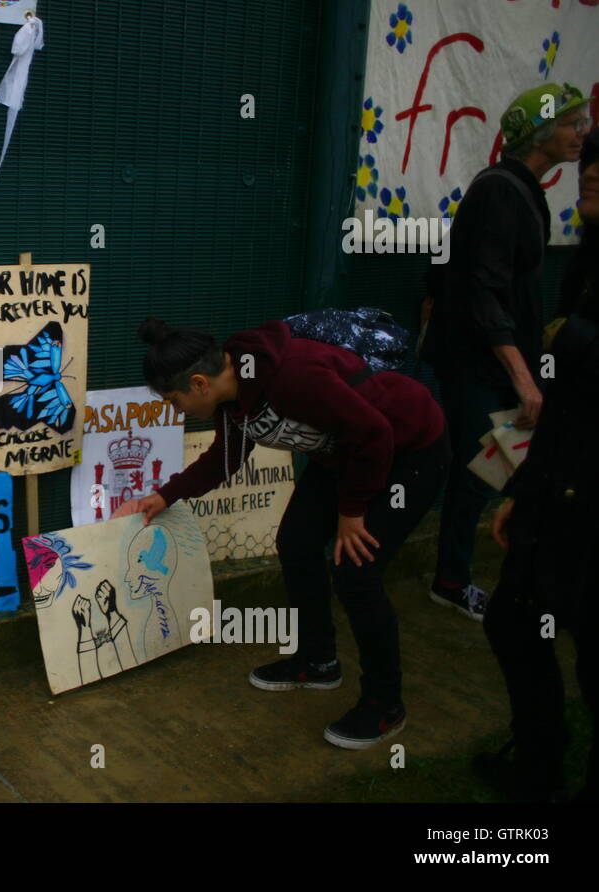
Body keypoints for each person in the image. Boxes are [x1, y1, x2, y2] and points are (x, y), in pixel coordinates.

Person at [115, 318, 450, 749]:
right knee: (296, 542)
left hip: (408, 450)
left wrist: (352, 511)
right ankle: (318, 660)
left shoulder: (291, 377)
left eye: (175, 401)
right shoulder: (233, 399)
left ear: (199, 383)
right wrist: (165, 495)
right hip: (343, 457)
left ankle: (385, 705)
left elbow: (374, 433)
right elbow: (226, 458)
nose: (176, 411)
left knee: (356, 572)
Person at [421, 82, 592, 622]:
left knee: (486, 473)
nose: (582, 132)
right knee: (478, 472)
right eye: (572, 123)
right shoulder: (500, 190)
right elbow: (485, 289)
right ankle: (451, 582)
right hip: (482, 366)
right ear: (539, 135)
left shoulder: (519, 189)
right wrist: (521, 376)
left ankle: (454, 576)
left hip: (492, 363)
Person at [476, 127, 599, 802]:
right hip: (559, 482)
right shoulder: (584, 263)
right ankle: (539, 761)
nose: (591, 173)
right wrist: (522, 489)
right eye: (590, 163)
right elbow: (569, 404)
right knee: (515, 620)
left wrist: (574, 341)